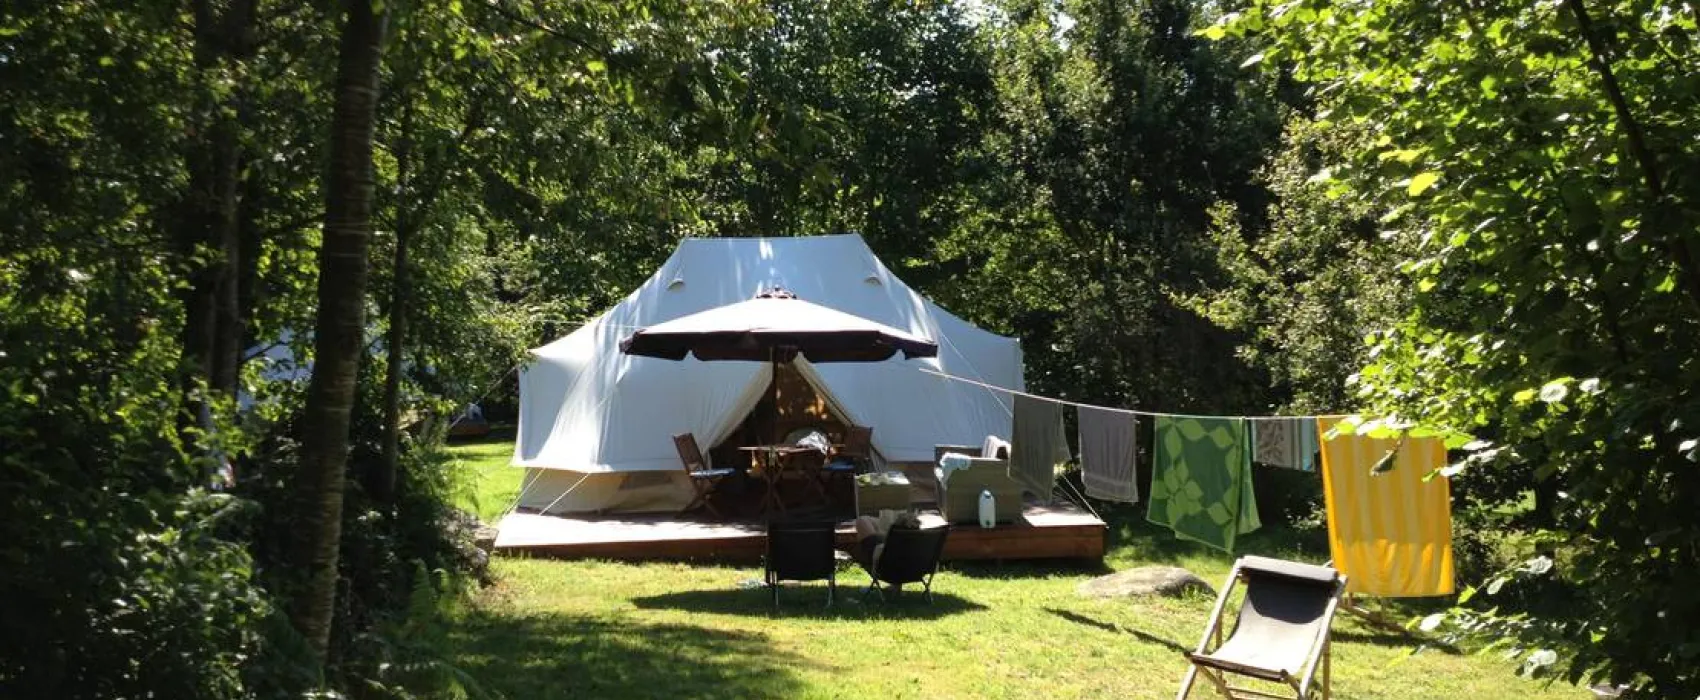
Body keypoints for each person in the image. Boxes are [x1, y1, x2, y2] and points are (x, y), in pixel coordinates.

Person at [853, 508, 920, 575]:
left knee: (861, 520)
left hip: (885, 568)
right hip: (915, 570)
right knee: (863, 521)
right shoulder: (920, 545)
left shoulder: (884, 544)